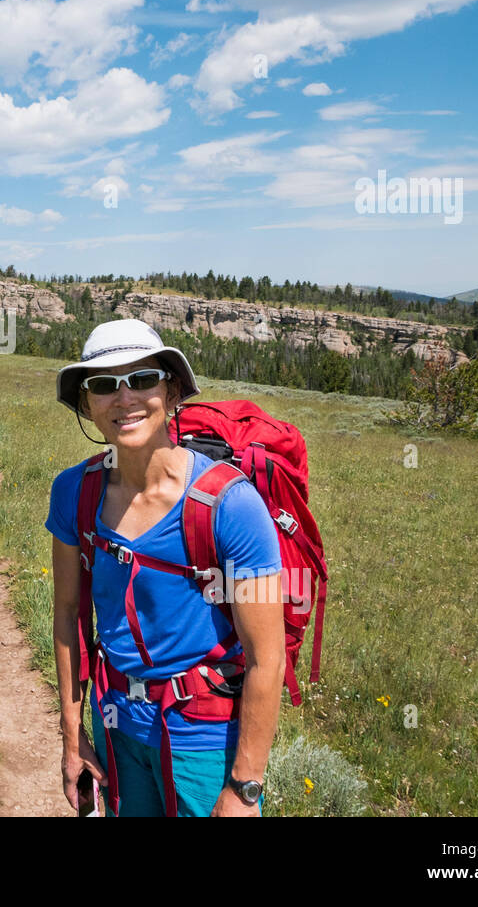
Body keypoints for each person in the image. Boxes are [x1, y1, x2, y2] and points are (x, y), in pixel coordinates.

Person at [45, 318, 286, 816]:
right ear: (88, 404)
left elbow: (268, 659)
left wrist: (244, 787)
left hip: (203, 740)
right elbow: (69, 617)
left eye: (141, 379)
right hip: (116, 729)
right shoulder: (74, 492)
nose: (124, 398)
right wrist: (73, 739)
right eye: (104, 385)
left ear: (172, 390)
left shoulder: (229, 505)